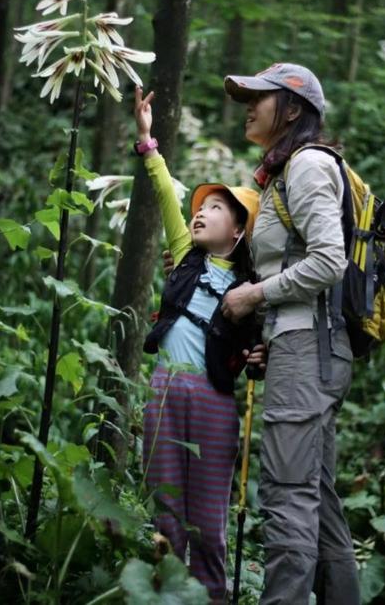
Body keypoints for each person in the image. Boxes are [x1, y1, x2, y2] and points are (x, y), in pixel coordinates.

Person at [220, 63, 361, 605]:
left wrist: (253, 297)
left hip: (310, 350)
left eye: (260, 96)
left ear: (294, 110)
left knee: (287, 496)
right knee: (318, 500)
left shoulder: (306, 166)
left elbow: (329, 262)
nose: (248, 106)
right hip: (304, 348)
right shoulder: (286, 174)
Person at [133, 85, 265, 603]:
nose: (202, 210)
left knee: (209, 520)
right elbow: (167, 191)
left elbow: (262, 342)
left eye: (217, 208)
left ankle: (212, 595)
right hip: (166, 387)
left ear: (239, 233)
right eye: (202, 205)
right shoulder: (184, 252)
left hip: (215, 401)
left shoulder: (254, 287)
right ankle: (166, 591)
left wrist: (259, 353)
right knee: (166, 510)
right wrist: (148, 143)